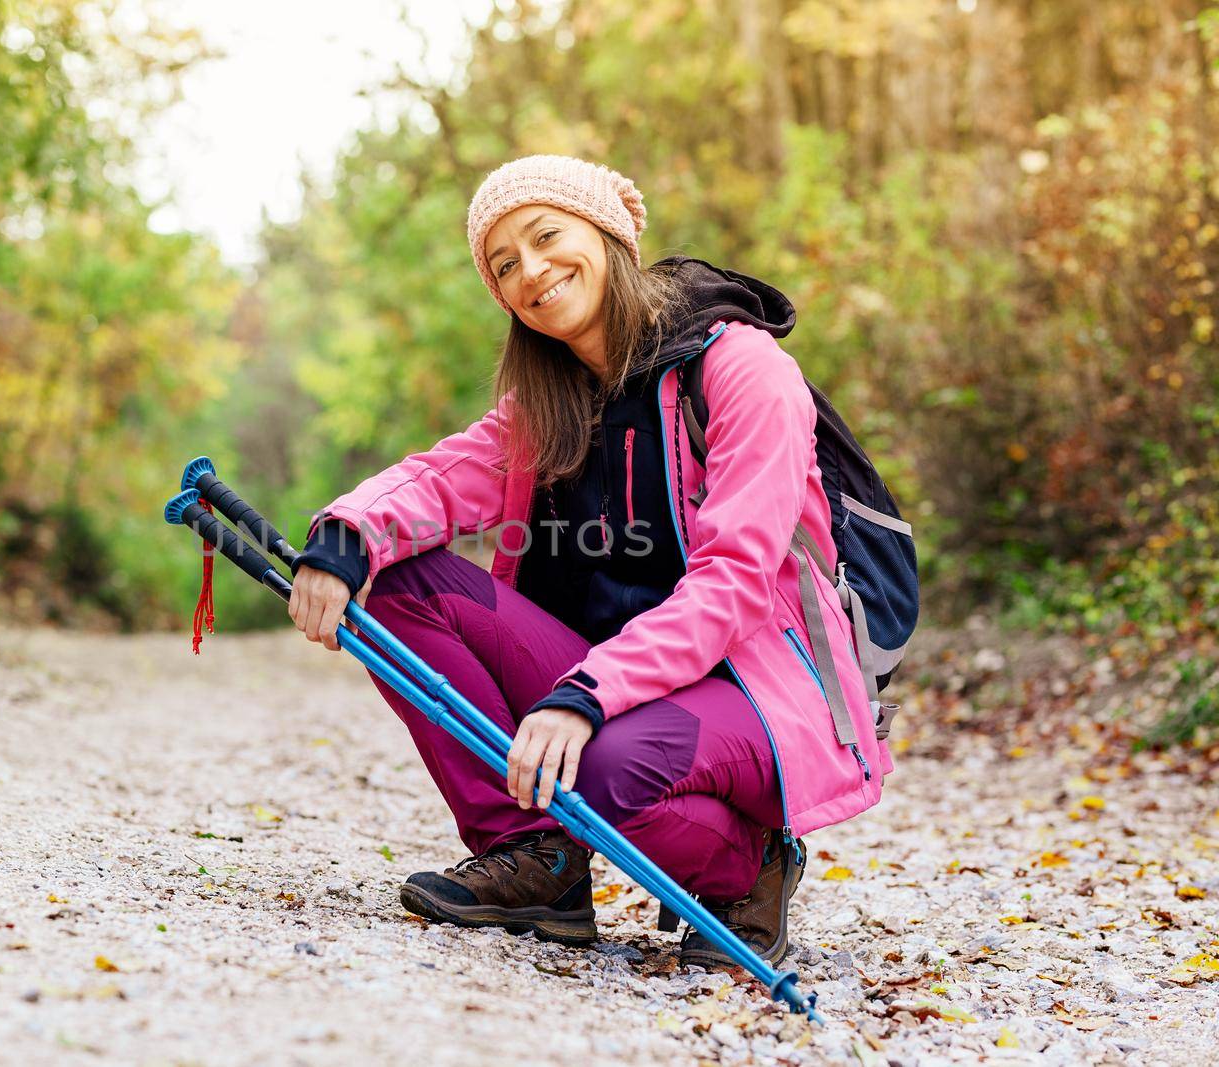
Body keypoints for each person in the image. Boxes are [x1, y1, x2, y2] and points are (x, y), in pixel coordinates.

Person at [287, 154, 890, 967]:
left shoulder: (742, 371)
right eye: (505, 264)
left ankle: (752, 869)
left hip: (753, 686)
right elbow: (441, 478)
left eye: (546, 236)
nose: (532, 270)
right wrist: (344, 537)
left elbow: (734, 583)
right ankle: (540, 859)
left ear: (605, 233)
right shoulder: (551, 404)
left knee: (602, 765)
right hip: (608, 684)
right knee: (398, 583)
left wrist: (586, 696)